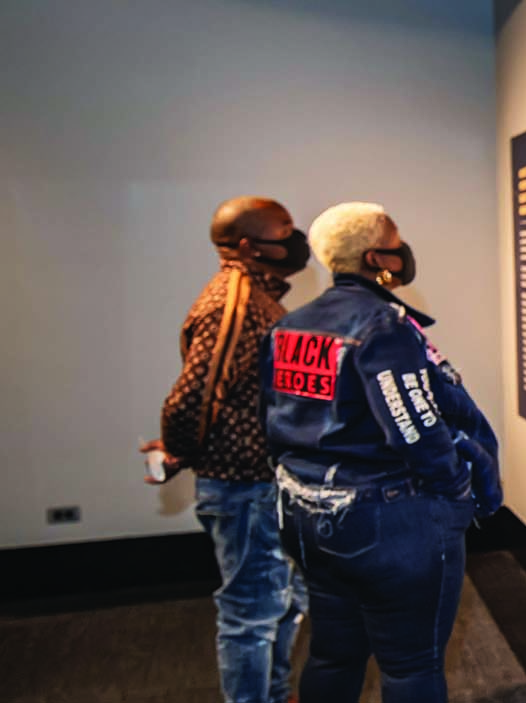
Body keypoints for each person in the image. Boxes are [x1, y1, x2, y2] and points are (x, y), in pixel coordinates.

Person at [263, 201, 501, 701]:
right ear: (377, 259)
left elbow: (272, 415)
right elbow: (414, 425)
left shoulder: (291, 324)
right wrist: (456, 494)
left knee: (332, 654)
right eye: (396, 243)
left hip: (308, 514)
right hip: (385, 521)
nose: (403, 251)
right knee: (412, 667)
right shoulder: (382, 326)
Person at [141, 196, 310, 703]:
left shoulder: (256, 296)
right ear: (246, 245)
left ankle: (275, 695)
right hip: (243, 488)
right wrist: (177, 446)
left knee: (283, 601)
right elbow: (196, 390)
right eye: (284, 230)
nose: (294, 239)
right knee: (251, 613)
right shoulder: (233, 301)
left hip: (262, 484)